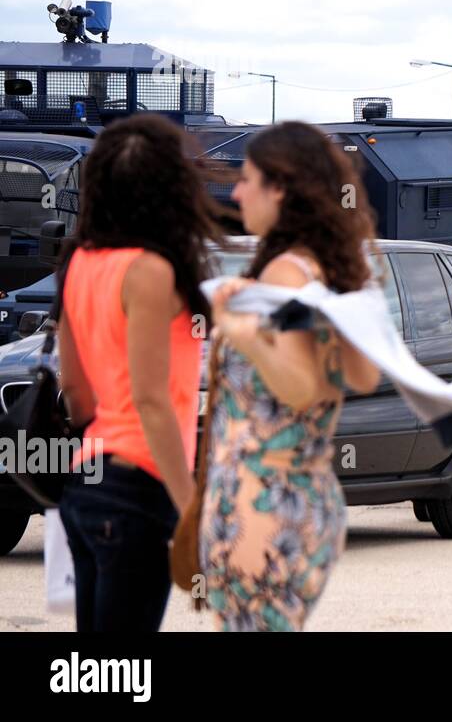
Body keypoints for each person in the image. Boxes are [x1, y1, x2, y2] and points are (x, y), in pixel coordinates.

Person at [201, 121, 380, 631]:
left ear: (281, 189)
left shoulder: (287, 272)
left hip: (262, 505)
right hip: (308, 497)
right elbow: (361, 375)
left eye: (248, 178)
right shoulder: (329, 268)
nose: (236, 191)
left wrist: (240, 329)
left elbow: (299, 386)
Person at [57, 115, 222, 632]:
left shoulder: (80, 261)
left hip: (85, 484)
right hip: (136, 491)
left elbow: (75, 392)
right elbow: (151, 402)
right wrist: (191, 509)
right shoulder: (151, 271)